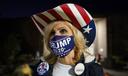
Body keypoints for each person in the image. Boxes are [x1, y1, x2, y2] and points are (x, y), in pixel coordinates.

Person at [31, 3, 104, 76]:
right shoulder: (40, 69)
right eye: (52, 33)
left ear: (76, 36)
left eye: (63, 31)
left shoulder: (92, 70)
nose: (56, 35)